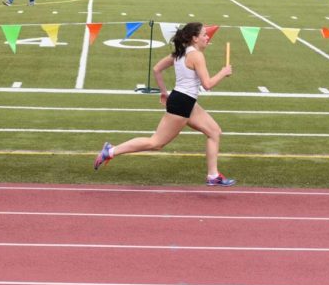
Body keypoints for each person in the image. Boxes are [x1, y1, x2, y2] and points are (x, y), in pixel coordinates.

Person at [94, 22, 235, 186]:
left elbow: (156, 69)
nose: (207, 37)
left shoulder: (180, 53)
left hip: (184, 100)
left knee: (214, 132)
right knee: (156, 143)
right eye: (204, 34)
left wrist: (164, 92)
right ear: (195, 38)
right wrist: (223, 73)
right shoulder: (196, 56)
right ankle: (110, 151)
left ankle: (213, 176)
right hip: (182, 103)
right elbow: (207, 85)